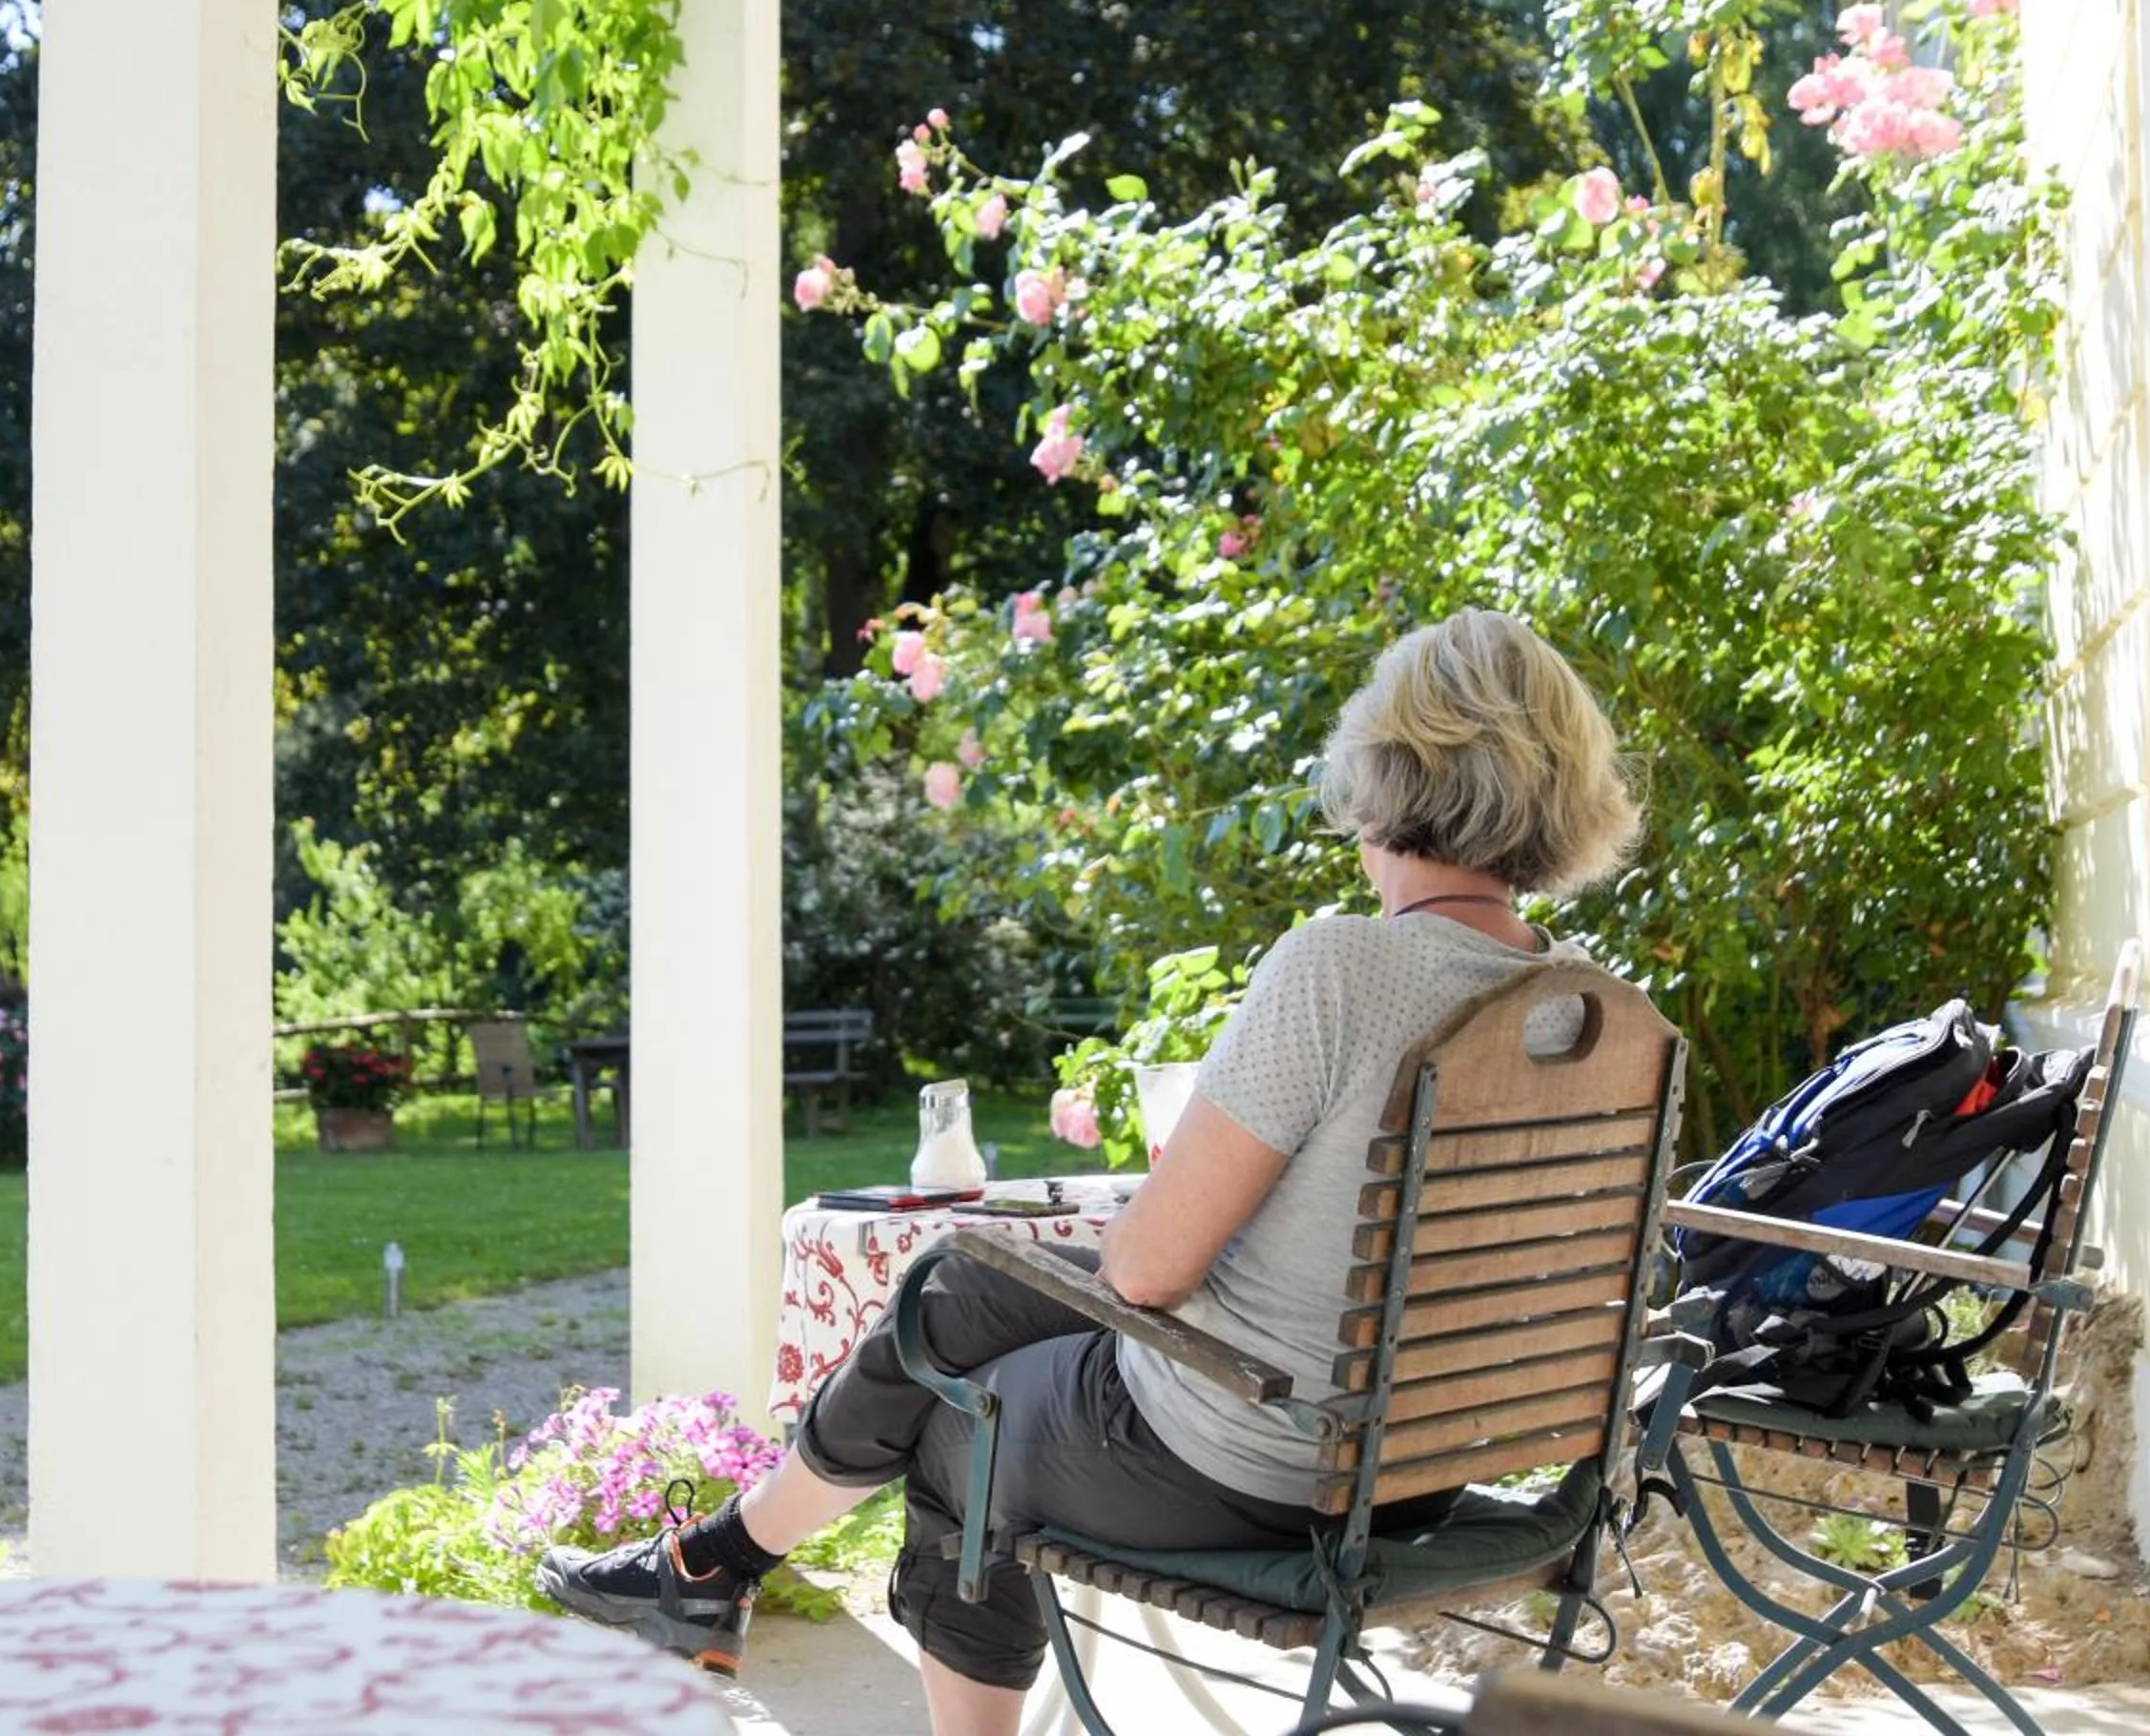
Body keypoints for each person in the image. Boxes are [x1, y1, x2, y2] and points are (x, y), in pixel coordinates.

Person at [541, 609, 1640, 1734]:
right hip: (1435, 1469)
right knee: (957, 1283)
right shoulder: (1601, 1012)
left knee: (960, 1416)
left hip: (1259, 1464)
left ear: (1384, 778)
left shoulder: (1342, 968)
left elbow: (1152, 1268)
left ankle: (718, 1564)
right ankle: (714, 1557)